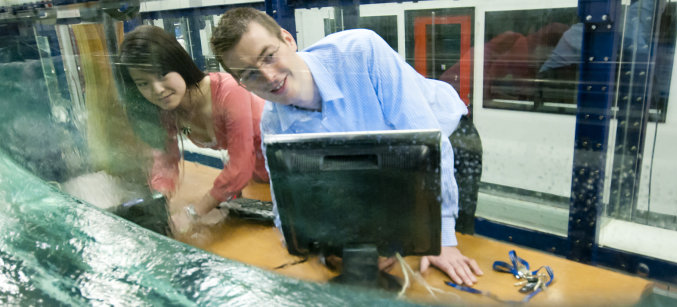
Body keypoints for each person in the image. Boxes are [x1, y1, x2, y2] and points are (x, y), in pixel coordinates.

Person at [210, 8, 484, 286]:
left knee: (439, 257)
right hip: (386, 156)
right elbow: (289, 199)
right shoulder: (274, 123)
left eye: (269, 56)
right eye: (250, 74)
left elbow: (427, 145)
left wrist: (444, 240)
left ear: (288, 39)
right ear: (240, 83)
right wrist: (320, 244)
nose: (268, 76)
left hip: (445, 139)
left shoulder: (361, 52)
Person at [116, 25, 268, 232]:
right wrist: (159, 201)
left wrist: (195, 211)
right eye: (143, 83)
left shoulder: (228, 93)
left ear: (178, 64)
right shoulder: (171, 114)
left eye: (161, 74)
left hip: (288, 168)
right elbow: (166, 159)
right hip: (257, 180)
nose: (157, 90)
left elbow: (240, 165)